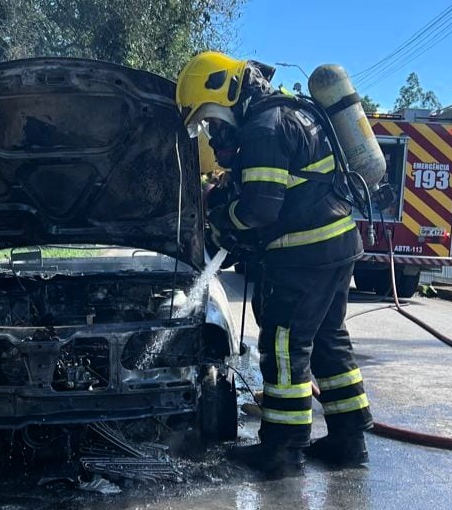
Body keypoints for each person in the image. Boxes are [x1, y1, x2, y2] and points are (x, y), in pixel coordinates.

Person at [176, 52, 373, 479]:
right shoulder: (290, 113)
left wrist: (218, 223)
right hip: (335, 248)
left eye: (213, 120)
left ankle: (283, 450)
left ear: (226, 92)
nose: (214, 132)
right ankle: (348, 439)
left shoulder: (265, 128)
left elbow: (260, 209)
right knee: (327, 340)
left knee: (284, 347)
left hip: (304, 254)